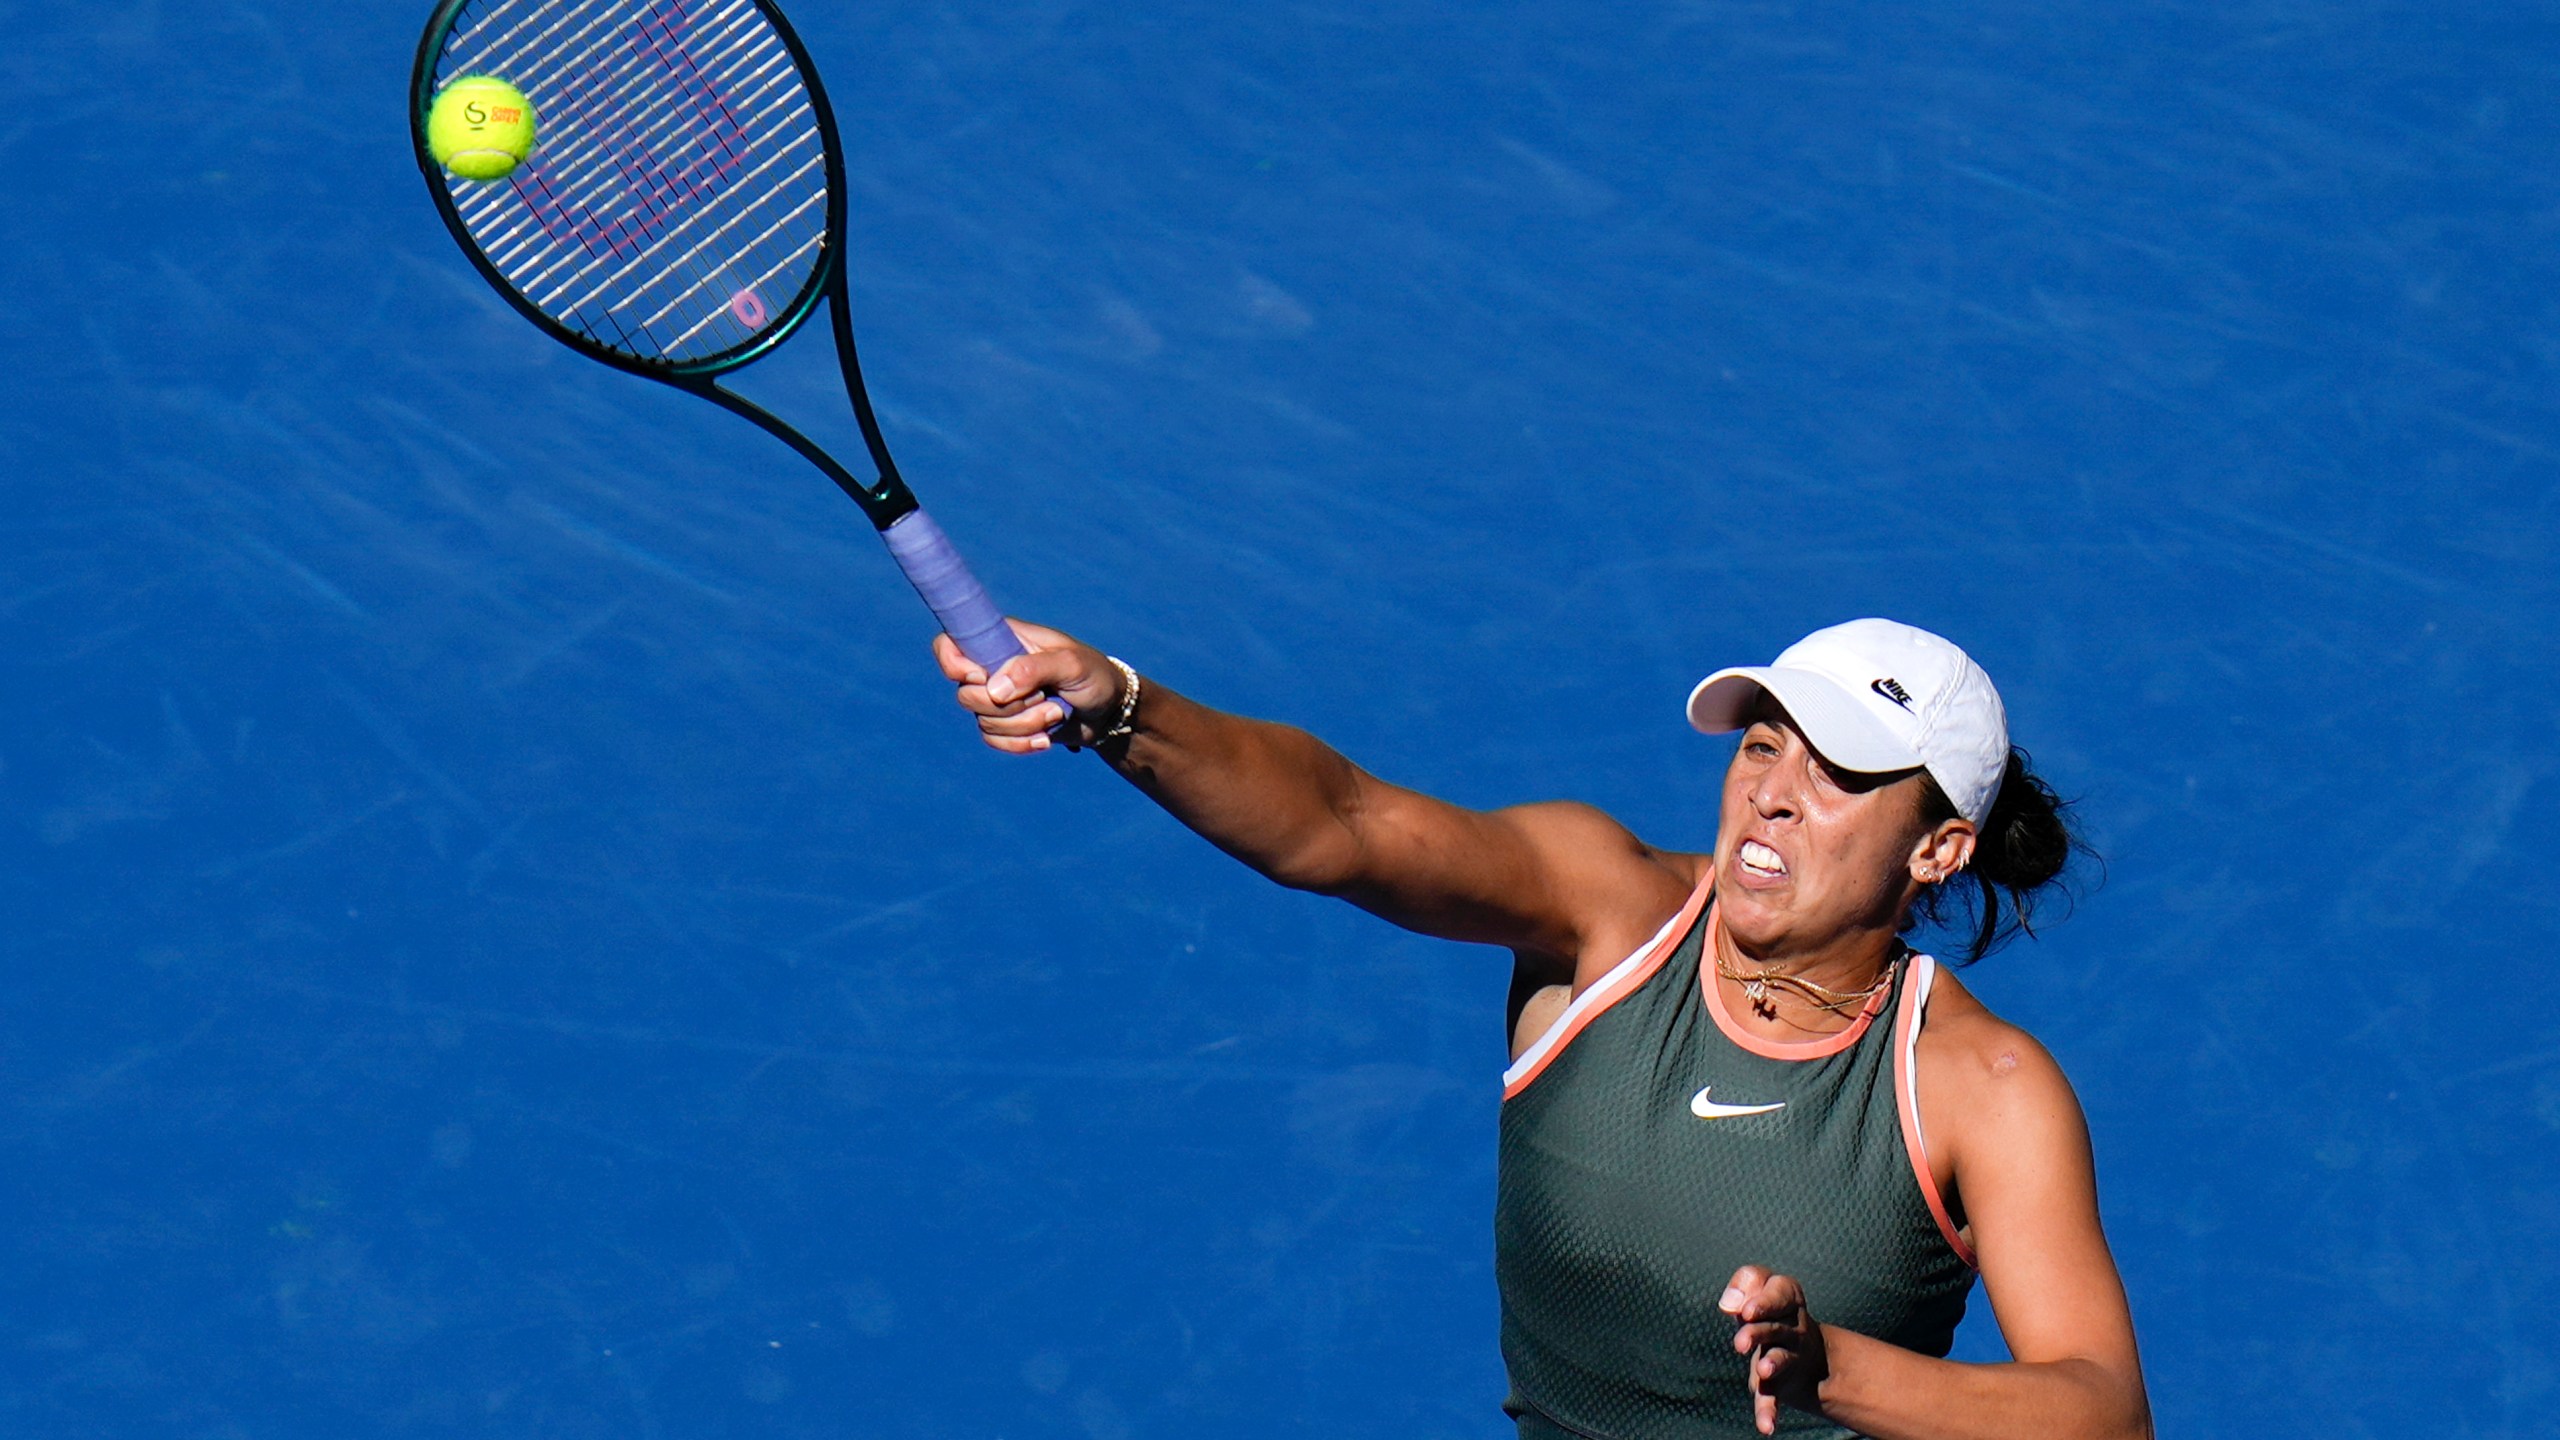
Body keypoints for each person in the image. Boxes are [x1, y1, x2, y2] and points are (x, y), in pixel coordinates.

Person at [935, 616, 2151, 1440]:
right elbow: (1343, 822)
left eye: (1837, 773)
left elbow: (2101, 1409)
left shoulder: (1981, 1087)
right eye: (1763, 743)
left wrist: (1840, 1373)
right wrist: (1127, 707)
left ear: (1936, 849)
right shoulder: (1606, 913)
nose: (1770, 789)